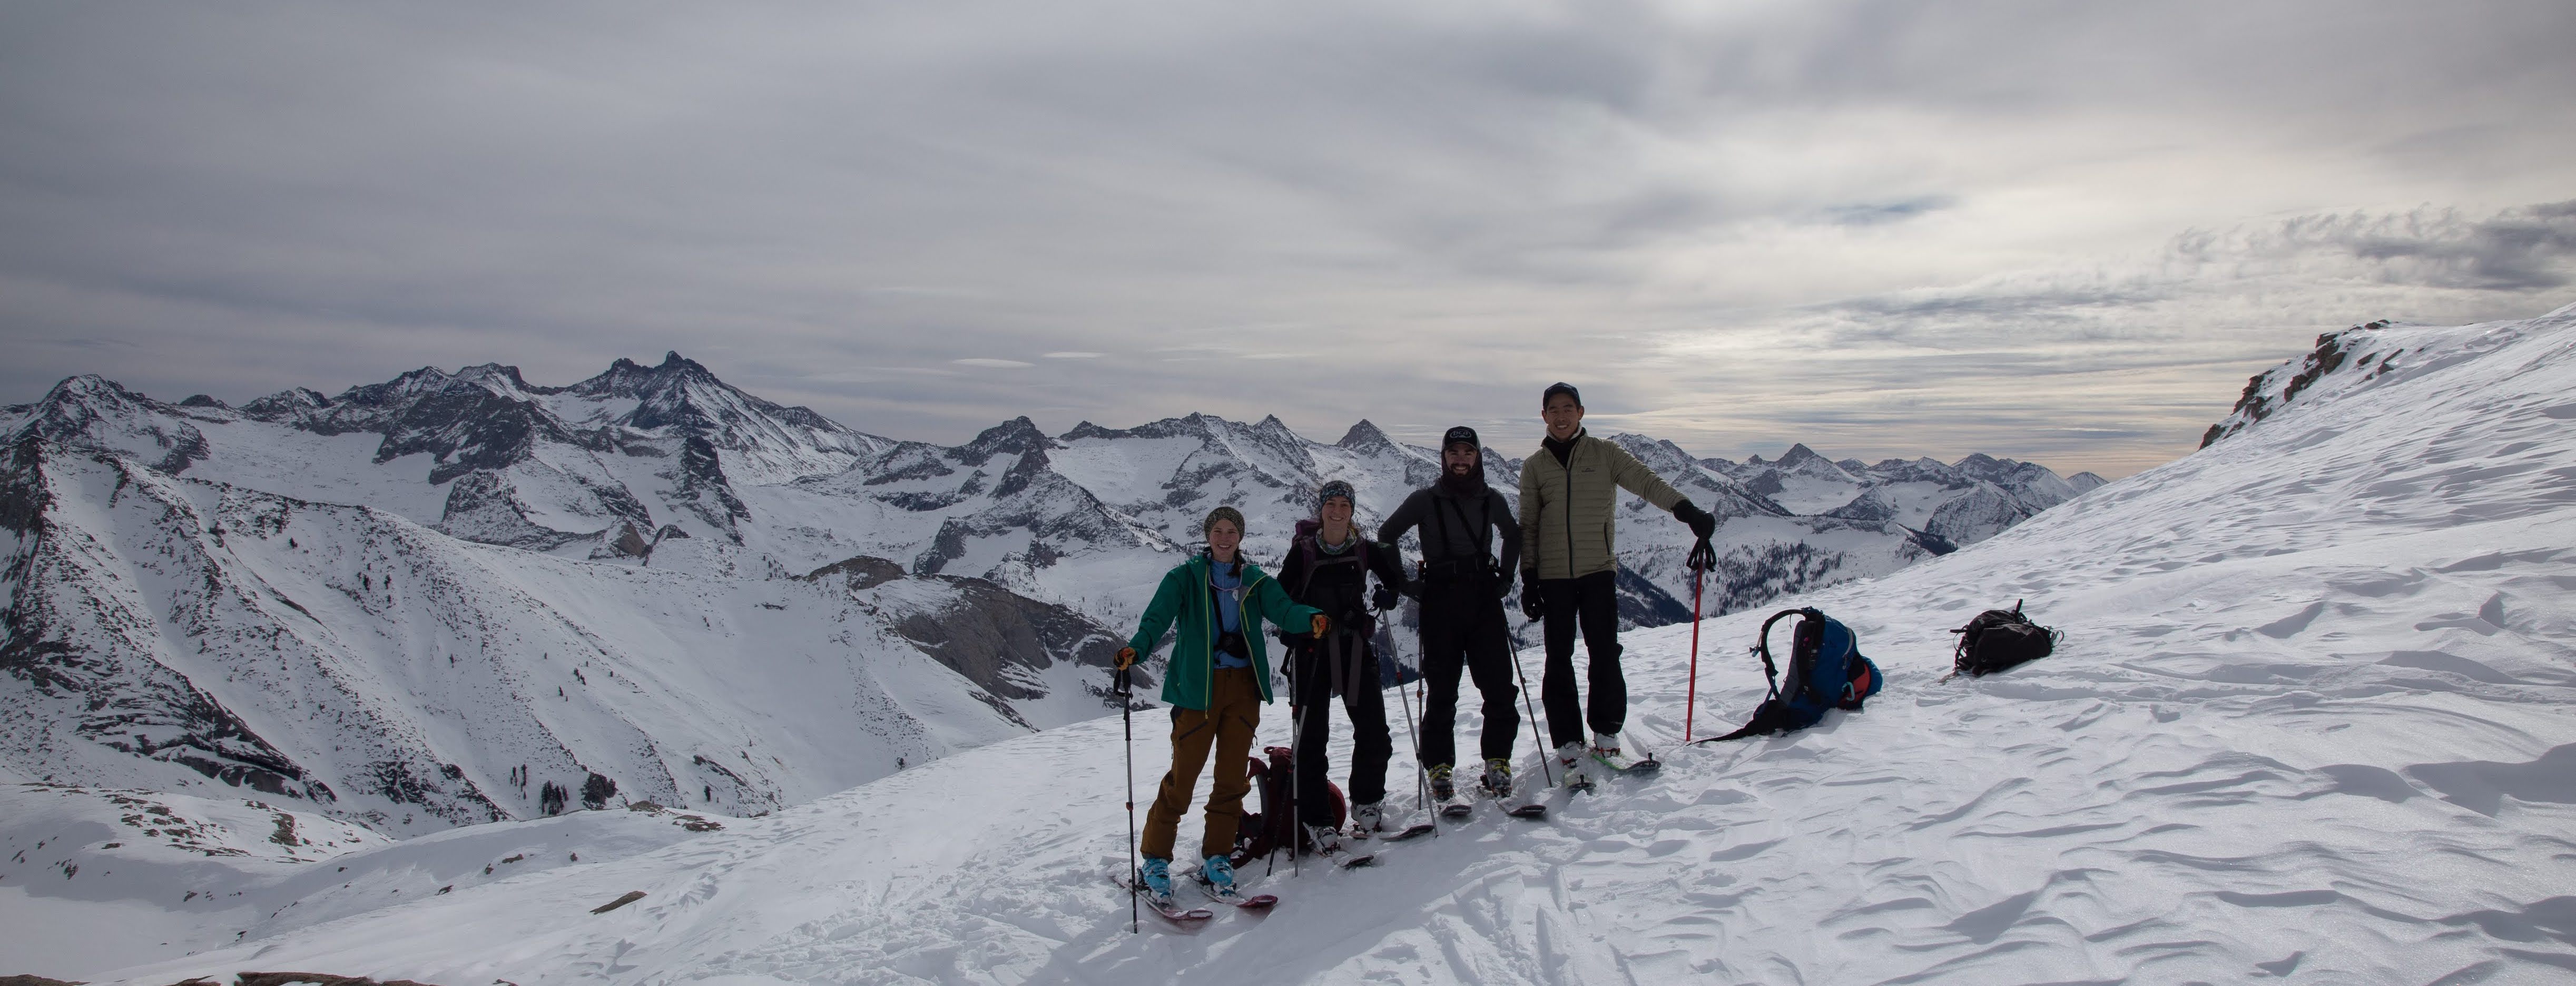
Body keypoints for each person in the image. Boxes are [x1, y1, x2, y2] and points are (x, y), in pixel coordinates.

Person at [1117, 506, 1327, 906]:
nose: (1225, 537)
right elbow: (1156, 620)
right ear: (1208, 535)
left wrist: (1310, 618)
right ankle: (1155, 860)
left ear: (1240, 537)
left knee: (1232, 780)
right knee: (1183, 780)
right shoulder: (1184, 578)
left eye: (1232, 531)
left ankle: (1217, 856)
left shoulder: (1254, 580)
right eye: (1218, 530)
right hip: (1198, 691)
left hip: (1243, 690)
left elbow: (1283, 609)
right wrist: (1136, 650)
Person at [1516, 383, 1718, 786]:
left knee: (1604, 651)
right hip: (1553, 575)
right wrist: (1529, 576)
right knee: (1558, 658)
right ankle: (1568, 739)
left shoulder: (1606, 455)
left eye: (1568, 409)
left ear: (1581, 412)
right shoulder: (1534, 467)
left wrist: (1686, 510)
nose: (1561, 416)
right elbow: (1530, 525)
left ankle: (1607, 729)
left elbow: (1647, 482)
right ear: (1543, 416)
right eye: (1553, 410)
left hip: (1597, 570)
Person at [1377, 426, 1524, 812]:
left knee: (1498, 687)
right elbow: (1386, 535)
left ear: (1478, 458)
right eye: (1454, 453)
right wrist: (1404, 584)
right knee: (1442, 691)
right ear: (1443, 457)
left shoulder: (1492, 500)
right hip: (1441, 599)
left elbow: (1515, 535)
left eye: (1468, 453)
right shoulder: (1425, 500)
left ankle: (1497, 761)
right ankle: (1439, 767)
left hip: (1481, 596)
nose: (1461, 460)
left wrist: (1506, 579)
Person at [1275, 480, 1414, 851]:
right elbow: (1280, 597)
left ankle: (1367, 803)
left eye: (1344, 505)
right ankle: (1318, 820)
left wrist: (1389, 595)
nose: (1337, 511)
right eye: (1331, 504)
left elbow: (1394, 582)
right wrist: (1295, 623)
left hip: (1354, 646)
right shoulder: (1302, 553)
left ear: (1352, 511)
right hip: (1312, 651)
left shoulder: (1365, 549)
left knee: (1373, 732)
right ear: (1320, 510)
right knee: (1311, 739)